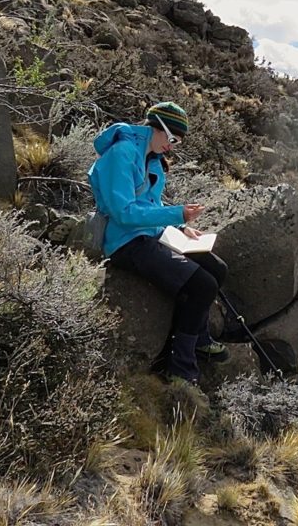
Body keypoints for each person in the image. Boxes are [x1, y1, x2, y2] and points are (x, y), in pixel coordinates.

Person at [88, 101, 229, 385]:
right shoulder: (123, 153)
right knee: (203, 285)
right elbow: (123, 212)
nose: (173, 146)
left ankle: (199, 337)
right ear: (159, 129)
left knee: (217, 269)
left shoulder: (151, 158)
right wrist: (176, 213)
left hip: (149, 233)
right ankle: (182, 370)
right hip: (124, 242)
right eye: (173, 138)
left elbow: (150, 202)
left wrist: (179, 226)